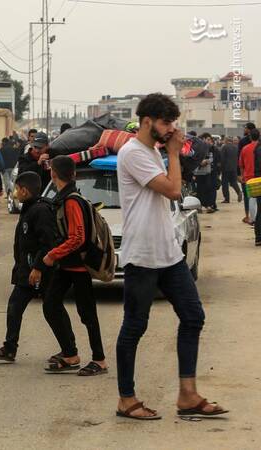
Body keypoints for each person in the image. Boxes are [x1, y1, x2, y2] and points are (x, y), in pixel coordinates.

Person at [115, 93, 227, 420]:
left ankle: (187, 394)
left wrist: (171, 153)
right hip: (142, 253)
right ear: (147, 121)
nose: (171, 129)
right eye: (166, 123)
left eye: (173, 123)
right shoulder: (132, 153)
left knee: (193, 316)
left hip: (168, 252)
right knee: (134, 326)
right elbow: (173, 190)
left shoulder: (152, 151)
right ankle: (126, 399)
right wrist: (175, 154)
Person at [41, 156, 107, 377]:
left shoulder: (71, 201)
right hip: (67, 266)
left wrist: (53, 255)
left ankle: (99, 360)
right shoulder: (65, 197)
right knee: (50, 304)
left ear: (53, 174)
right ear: (74, 175)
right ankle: (70, 354)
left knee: (87, 314)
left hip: (78, 267)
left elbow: (77, 237)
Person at [0, 171, 57, 362]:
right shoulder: (29, 208)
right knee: (15, 307)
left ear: (25, 190)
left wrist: (38, 268)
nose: (15, 193)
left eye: (17, 189)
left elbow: (47, 243)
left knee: (53, 311)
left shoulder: (40, 210)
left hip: (41, 271)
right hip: (27, 270)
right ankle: (10, 348)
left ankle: (69, 351)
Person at [239, 129, 258, 225]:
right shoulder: (259, 148)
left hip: (249, 178)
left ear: (250, 137)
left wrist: (242, 176)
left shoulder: (245, 148)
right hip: (259, 176)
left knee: (251, 198)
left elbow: (241, 165)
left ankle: (252, 219)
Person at [194, 133, 216, 213]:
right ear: (203, 139)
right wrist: (200, 162)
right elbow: (193, 158)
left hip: (207, 172)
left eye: (210, 140)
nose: (209, 141)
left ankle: (208, 206)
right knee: (200, 190)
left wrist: (207, 161)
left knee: (208, 189)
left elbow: (212, 158)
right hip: (199, 172)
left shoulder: (210, 148)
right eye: (208, 139)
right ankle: (199, 207)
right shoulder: (197, 147)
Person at [220, 136, 243, 203]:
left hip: (226, 168)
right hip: (234, 168)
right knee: (233, 182)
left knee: (224, 184)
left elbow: (222, 158)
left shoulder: (224, 147)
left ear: (226, 140)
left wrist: (221, 168)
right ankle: (239, 192)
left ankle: (227, 198)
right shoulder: (236, 147)